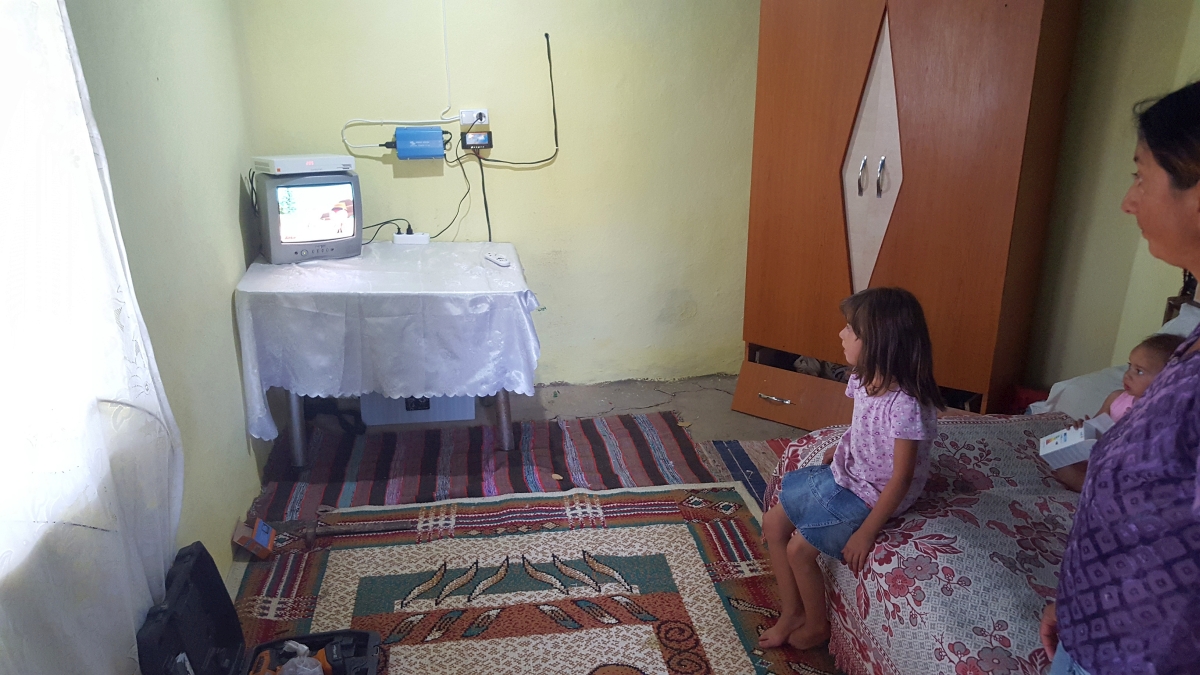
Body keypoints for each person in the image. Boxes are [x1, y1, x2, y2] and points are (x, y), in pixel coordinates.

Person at [1041, 81, 1200, 675]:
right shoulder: (1191, 341)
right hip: (1099, 624)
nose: (1128, 202)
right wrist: (1078, 601)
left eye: (1141, 176)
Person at [758, 287, 944, 650]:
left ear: (878, 343)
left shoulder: (906, 404)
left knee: (799, 551)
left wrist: (867, 531)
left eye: (850, 330)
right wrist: (846, 445)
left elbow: (901, 478)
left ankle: (816, 625)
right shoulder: (861, 377)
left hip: (874, 493)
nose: (841, 334)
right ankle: (792, 612)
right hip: (850, 471)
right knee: (773, 524)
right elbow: (861, 423)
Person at [1052, 333, 1185, 492]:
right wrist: (1081, 429)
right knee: (1063, 460)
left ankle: (1083, 485)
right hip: (1097, 460)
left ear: (1168, 379)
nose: (1127, 375)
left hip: (1121, 469)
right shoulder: (1116, 398)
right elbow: (1094, 430)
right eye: (1129, 366)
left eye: (1139, 371)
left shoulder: (1160, 415)